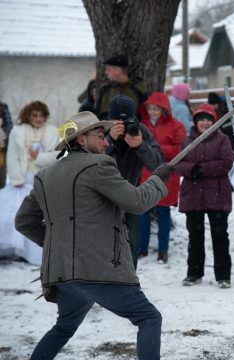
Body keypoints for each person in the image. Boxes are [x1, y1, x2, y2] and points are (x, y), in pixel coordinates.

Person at [15, 111, 172, 360]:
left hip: (63, 273)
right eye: (100, 136)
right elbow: (137, 202)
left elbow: (23, 221)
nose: (107, 142)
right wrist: (158, 180)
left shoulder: (45, 176)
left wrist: (60, 247)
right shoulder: (99, 166)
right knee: (149, 318)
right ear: (80, 140)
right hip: (97, 270)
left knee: (63, 327)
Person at [175, 103, 234, 289]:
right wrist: (192, 169)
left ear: (214, 122)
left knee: (220, 236)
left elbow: (226, 163)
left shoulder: (222, 140)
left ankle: (223, 276)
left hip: (217, 194)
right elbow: (177, 164)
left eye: (208, 120)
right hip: (193, 195)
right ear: (196, 122)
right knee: (195, 236)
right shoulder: (187, 140)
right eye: (202, 120)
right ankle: (194, 272)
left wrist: (203, 169)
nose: (205, 123)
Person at [106, 95, 164, 269]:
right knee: (103, 244)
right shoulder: (99, 131)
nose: (122, 125)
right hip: (102, 198)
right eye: (117, 120)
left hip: (131, 196)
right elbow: (86, 161)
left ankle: (129, 283)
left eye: (126, 120)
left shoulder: (140, 131)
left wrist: (141, 146)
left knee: (132, 243)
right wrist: (109, 141)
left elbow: (159, 165)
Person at [0, 101, 58, 265]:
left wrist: (38, 157)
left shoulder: (53, 132)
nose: (38, 119)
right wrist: (16, 177)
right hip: (22, 179)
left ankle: (35, 252)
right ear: (28, 115)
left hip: (42, 179)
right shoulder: (17, 131)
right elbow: (12, 155)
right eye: (34, 115)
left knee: (39, 215)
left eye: (41, 115)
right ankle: (16, 250)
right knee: (16, 214)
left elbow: (57, 156)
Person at [137, 92, 186, 264]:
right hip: (145, 173)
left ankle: (163, 250)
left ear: (163, 109)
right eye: (150, 108)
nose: (153, 111)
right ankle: (141, 247)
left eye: (156, 108)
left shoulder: (176, 126)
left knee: (164, 212)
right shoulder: (141, 125)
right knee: (143, 212)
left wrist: (153, 150)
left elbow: (180, 148)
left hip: (166, 174)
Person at [94, 55, 147, 119]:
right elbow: (97, 113)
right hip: (108, 128)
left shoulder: (138, 89)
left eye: (108, 69)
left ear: (118, 70)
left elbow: (145, 114)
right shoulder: (105, 89)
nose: (106, 72)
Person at [208, 92, 234, 161]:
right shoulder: (212, 113)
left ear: (218, 103)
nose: (213, 107)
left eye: (214, 105)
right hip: (219, 147)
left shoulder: (229, 112)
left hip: (233, 144)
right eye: (211, 105)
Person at [0, 101, 13, 188]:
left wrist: (2, 136)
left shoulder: (2, 106)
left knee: (1, 179)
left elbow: (9, 125)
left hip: (1, 146)